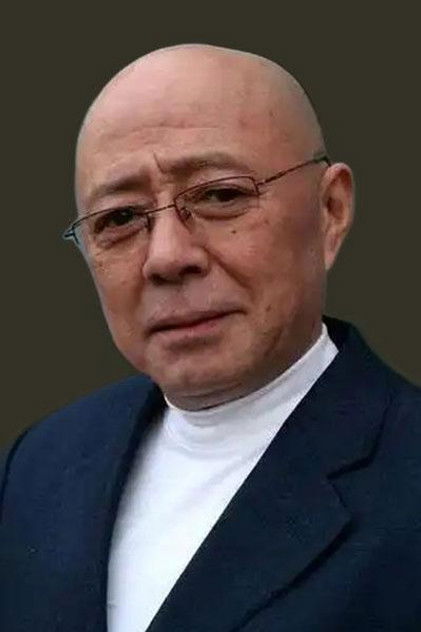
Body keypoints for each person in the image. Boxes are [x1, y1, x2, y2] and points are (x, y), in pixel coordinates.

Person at [1, 44, 420, 632]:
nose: (167, 258)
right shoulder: (41, 464)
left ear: (330, 209)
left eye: (221, 195)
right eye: (119, 218)